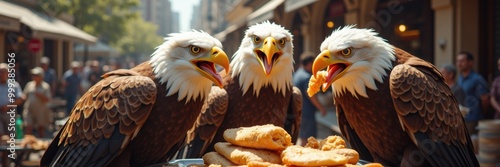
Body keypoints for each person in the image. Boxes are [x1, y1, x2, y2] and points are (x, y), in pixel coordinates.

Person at [293, 52, 327, 146]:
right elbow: (311, 95)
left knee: (303, 136)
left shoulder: (298, 73)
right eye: (314, 63)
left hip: (300, 110)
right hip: (307, 112)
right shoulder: (307, 77)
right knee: (307, 139)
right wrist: (321, 108)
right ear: (309, 64)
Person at [456, 51, 490, 135]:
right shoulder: (459, 78)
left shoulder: (477, 79)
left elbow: (485, 100)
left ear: (470, 63)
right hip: (460, 118)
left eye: (462, 61)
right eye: (458, 61)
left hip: (473, 118)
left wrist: (479, 114)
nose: (459, 64)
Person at [22, 67, 51, 137]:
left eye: (36, 75)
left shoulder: (45, 86)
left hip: (40, 110)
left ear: (41, 77)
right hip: (29, 109)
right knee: (28, 127)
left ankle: (41, 145)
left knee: (41, 128)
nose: (34, 77)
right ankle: (27, 143)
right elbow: (24, 95)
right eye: (33, 75)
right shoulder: (29, 85)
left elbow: (48, 99)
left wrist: (39, 95)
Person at [0, 63, 25, 136]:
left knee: (10, 135)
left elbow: (21, 99)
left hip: (10, 113)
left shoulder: (14, 85)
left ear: (8, 73)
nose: (1, 74)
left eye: (3, 72)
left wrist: (8, 106)